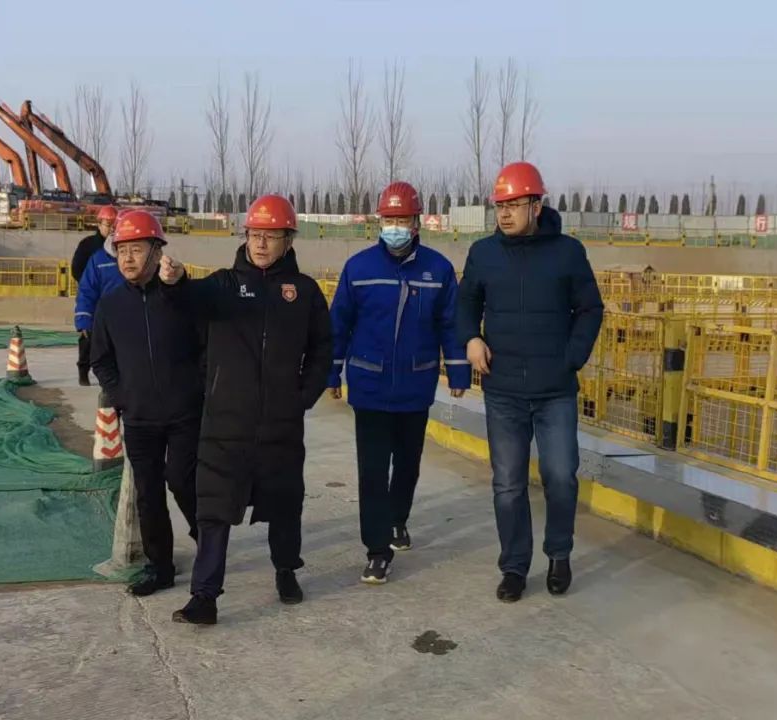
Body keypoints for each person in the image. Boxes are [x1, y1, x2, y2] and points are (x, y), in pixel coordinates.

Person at [159, 194, 332, 625]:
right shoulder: (224, 286)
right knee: (214, 510)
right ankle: (204, 596)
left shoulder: (304, 292)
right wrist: (175, 281)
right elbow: (188, 299)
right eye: (255, 234)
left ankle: (286, 571)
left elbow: (322, 350)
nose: (261, 243)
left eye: (271, 236)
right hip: (225, 423)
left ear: (289, 239)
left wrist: (302, 397)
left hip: (281, 425)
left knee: (285, 504)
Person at [456, 161, 604, 602]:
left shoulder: (568, 253)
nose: (504, 213)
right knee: (507, 484)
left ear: (537, 206)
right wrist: (471, 337)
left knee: (560, 476)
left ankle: (559, 554)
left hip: (555, 390)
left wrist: (571, 359)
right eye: (499, 206)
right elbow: (465, 303)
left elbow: (590, 309)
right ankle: (514, 567)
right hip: (503, 391)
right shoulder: (484, 254)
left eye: (514, 205)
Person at [327, 181, 471, 584]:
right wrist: (331, 372)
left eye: (402, 219)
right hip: (369, 386)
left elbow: (450, 325)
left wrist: (458, 370)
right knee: (373, 471)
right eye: (389, 219)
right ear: (379, 221)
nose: (395, 227)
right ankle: (377, 550)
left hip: (415, 385)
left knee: (407, 464)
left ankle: (397, 518)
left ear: (417, 222)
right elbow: (339, 324)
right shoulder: (359, 269)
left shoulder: (438, 270)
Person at [89, 210, 204, 596]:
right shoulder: (110, 305)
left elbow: (207, 343)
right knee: (148, 493)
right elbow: (101, 359)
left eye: (136, 250)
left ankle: (207, 537)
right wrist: (123, 396)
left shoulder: (178, 298)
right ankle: (160, 567)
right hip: (139, 419)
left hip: (185, 413)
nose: (127, 258)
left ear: (157, 252)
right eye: (122, 251)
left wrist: (198, 388)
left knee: (183, 480)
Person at [72, 205, 118, 385]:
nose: (112, 229)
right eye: (108, 224)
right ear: (99, 224)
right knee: (88, 338)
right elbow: (76, 269)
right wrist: (90, 283)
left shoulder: (122, 247)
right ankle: (83, 370)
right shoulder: (89, 247)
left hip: (114, 304)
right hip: (93, 299)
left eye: (115, 225)